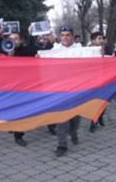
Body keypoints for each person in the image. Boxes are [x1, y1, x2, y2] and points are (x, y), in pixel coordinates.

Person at [3, 31, 37, 146]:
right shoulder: (5, 51)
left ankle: (51, 125)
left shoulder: (29, 50)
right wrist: (9, 56)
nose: (13, 41)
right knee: (16, 110)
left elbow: (43, 51)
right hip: (12, 87)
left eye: (16, 39)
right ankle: (18, 135)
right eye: (11, 39)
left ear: (21, 40)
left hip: (27, 86)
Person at [53, 25, 81, 157]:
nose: (65, 37)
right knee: (62, 118)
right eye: (63, 35)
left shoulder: (81, 50)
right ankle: (62, 144)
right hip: (60, 90)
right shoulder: (53, 50)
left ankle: (73, 132)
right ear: (59, 37)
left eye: (68, 35)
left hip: (78, 89)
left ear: (72, 36)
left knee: (76, 117)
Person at [88, 31, 106, 133]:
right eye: (99, 38)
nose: (101, 40)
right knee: (94, 101)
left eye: (102, 38)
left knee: (104, 101)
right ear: (93, 40)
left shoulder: (104, 49)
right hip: (91, 80)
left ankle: (100, 116)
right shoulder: (87, 50)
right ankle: (93, 122)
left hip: (103, 78)